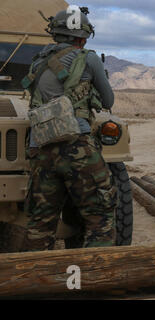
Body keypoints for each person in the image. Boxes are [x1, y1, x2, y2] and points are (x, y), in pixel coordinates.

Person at [21, 6, 117, 251]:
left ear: (55, 34)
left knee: (40, 222)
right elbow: (108, 101)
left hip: (41, 147)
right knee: (100, 215)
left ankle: (36, 280)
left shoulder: (37, 62)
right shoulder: (88, 58)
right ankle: (96, 278)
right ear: (83, 37)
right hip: (77, 146)